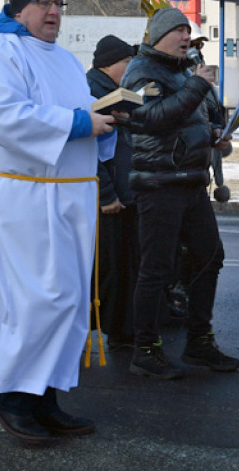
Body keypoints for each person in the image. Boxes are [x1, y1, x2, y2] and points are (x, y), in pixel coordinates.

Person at [0, 0, 116, 445]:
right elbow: (7, 119)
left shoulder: (66, 60)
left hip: (69, 192)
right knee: (36, 297)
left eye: (58, 3)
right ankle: (10, 396)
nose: (53, 11)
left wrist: (107, 119)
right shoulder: (0, 56)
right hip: (26, 194)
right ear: (18, 9)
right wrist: (77, 123)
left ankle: (46, 396)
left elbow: (80, 113)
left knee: (68, 299)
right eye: (44, 2)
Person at [121, 7, 239, 380]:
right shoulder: (140, 72)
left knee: (210, 257)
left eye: (187, 31)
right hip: (158, 183)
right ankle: (146, 349)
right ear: (157, 35)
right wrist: (197, 86)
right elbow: (150, 118)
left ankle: (199, 341)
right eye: (178, 31)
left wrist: (217, 137)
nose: (186, 37)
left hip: (191, 180)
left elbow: (200, 119)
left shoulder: (186, 72)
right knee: (155, 268)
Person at [86, 34, 139, 352]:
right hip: (109, 195)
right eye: (126, 63)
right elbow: (91, 152)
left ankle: (123, 326)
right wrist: (105, 195)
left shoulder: (116, 93)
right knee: (109, 266)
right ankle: (114, 328)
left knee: (124, 263)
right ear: (109, 65)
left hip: (123, 189)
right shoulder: (93, 93)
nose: (130, 68)